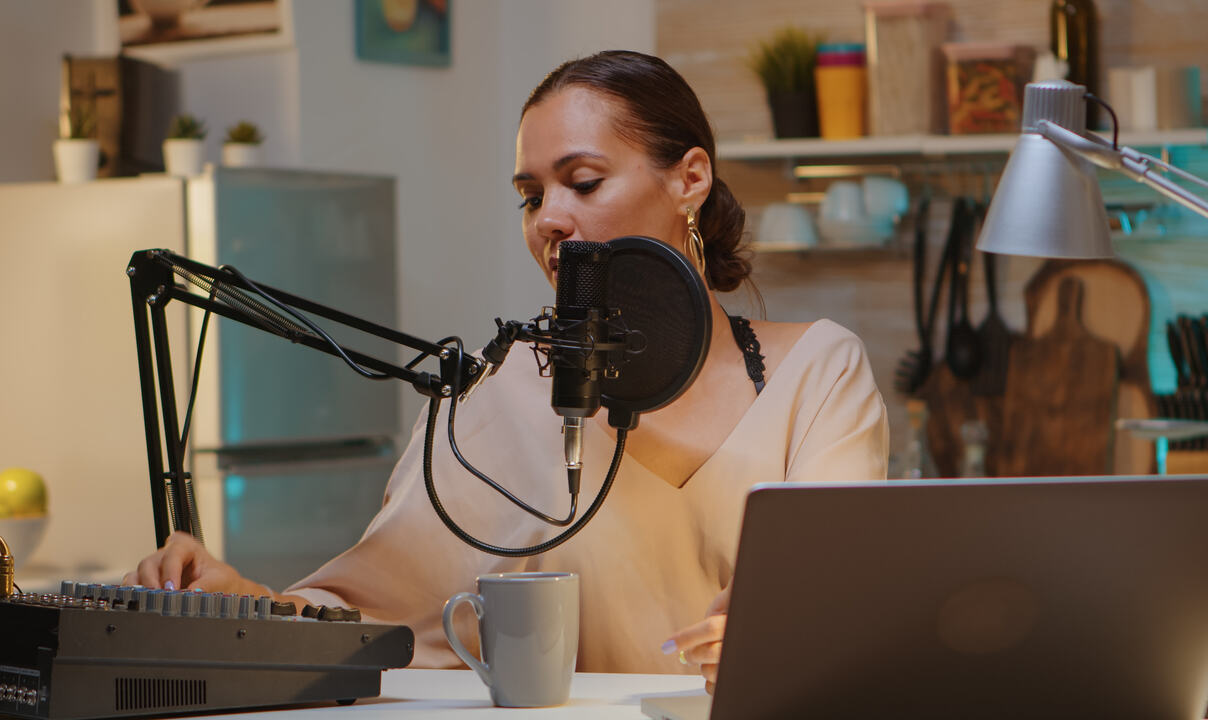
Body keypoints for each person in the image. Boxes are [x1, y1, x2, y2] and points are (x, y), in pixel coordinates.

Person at [125, 50, 888, 692]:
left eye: (583, 182)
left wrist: (784, 625)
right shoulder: (493, 398)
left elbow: (839, 601)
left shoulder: (817, 371)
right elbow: (380, 621)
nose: (549, 218)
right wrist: (244, 607)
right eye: (530, 196)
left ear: (690, 177)